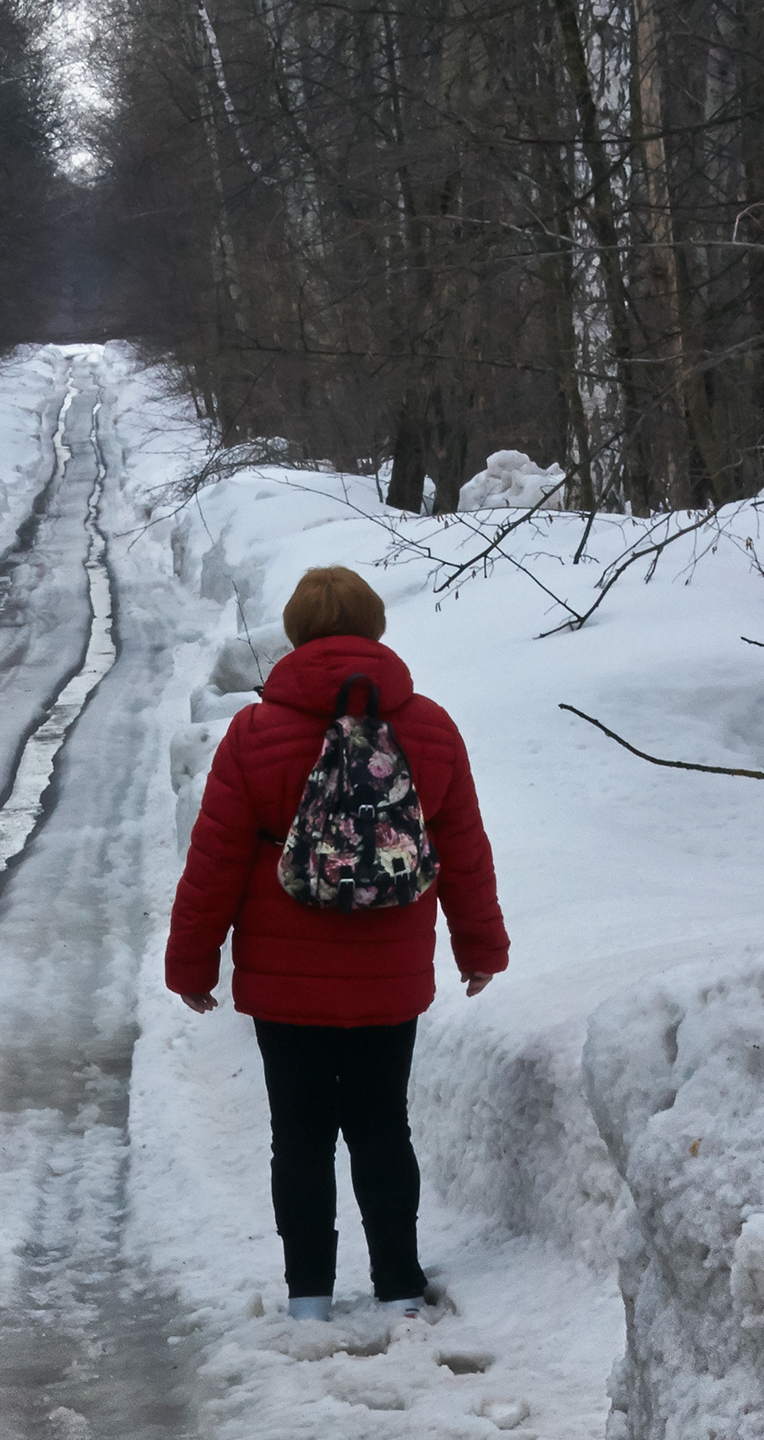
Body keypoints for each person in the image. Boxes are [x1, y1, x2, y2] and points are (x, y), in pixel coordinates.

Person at [164, 562, 508, 1318]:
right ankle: (398, 1289)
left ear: (296, 633)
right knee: (384, 1125)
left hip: (285, 985)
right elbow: (464, 848)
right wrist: (479, 948)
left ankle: (310, 1297)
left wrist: (192, 963)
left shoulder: (254, 734)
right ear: (375, 628)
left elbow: (215, 860)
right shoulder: (430, 728)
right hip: (390, 977)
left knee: (301, 1136)